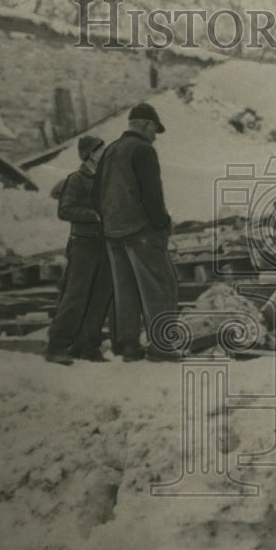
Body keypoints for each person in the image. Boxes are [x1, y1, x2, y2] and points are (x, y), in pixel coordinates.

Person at [92, 102, 180, 362]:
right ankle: (162, 347)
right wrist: (163, 224)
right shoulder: (143, 150)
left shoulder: (110, 150)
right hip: (142, 231)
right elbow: (151, 194)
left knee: (125, 289)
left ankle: (128, 345)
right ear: (145, 124)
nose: (155, 136)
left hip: (114, 232)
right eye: (154, 129)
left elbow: (96, 195)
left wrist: (110, 220)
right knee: (161, 284)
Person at [45, 135, 112, 365]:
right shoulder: (76, 179)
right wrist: (94, 215)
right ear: (91, 154)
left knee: (100, 296)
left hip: (105, 244)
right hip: (83, 245)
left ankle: (87, 346)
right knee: (76, 295)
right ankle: (57, 346)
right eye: (102, 150)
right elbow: (65, 210)